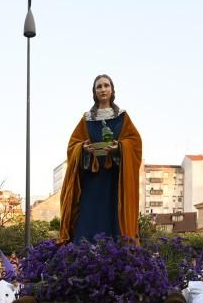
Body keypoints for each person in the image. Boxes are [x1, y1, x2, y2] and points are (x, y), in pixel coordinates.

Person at [58, 74, 143, 243]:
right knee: (89, 215)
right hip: (92, 178)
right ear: (94, 92)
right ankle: (83, 255)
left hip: (115, 179)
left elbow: (135, 144)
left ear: (112, 90)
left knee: (114, 218)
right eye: (99, 86)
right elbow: (72, 145)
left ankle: (117, 256)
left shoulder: (122, 117)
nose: (103, 89)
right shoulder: (87, 118)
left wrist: (119, 147)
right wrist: (82, 148)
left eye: (106, 85)